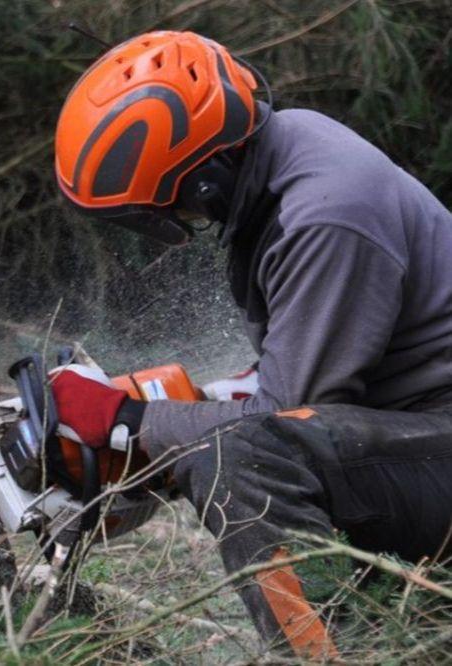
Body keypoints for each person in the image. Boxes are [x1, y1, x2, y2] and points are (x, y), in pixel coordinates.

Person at [50, 30, 452, 658]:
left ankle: (336, 654)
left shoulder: (324, 215)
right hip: (421, 430)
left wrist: (129, 422)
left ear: (204, 178)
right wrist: (170, 408)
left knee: (245, 462)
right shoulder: (287, 150)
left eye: (170, 208)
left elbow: (282, 421)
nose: (182, 222)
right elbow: (304, 378)